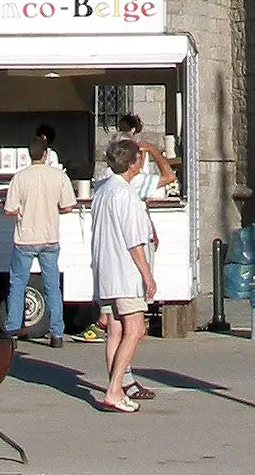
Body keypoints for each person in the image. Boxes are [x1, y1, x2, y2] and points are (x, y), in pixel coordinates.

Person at [91, 137, 156, 413]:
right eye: (138, 158)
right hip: (124, 272)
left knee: (116, 330)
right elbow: (134, 242)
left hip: (105, 269)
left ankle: (115, 386)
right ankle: (115, 389)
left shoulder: (103, 191)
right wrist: (148, 276)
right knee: (135, 329)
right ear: (132, 163)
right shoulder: (125, 194)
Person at [3, 132, 76, 343]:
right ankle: (57, 333)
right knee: (52, 286)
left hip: (25, 238)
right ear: (46, 154)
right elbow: (68, 206)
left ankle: (13, 330)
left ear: (29, 155)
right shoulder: (59, 176)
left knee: (17, 285)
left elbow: (9, 210)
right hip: (49, 237)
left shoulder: (20, 177)